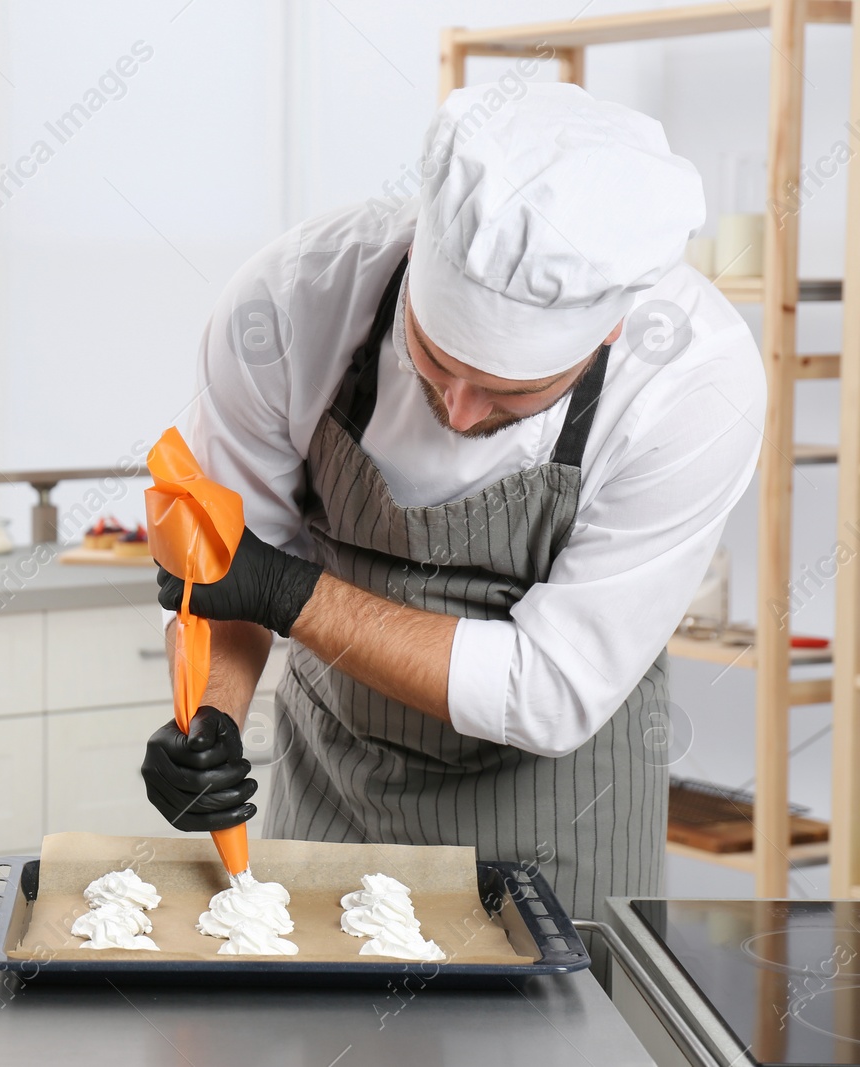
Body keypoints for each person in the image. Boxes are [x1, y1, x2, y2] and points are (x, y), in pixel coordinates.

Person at [139, 83, 765, 920]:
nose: (462, 410)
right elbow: (227, 568)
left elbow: (548, 690)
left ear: (608, 330)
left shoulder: (695, 387)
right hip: (332, 786)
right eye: (432, 357)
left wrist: (291, 592)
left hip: (553, 820)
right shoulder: (289, 304)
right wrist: (207, 718)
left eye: (512, 392)